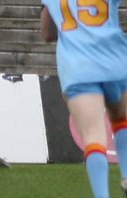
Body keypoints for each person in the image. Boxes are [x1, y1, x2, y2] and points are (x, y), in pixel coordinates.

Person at [41, 1, 127, 197]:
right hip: (115, 60)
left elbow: (47, 34)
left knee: (93, 137)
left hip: (78, 66)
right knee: (121, 120)